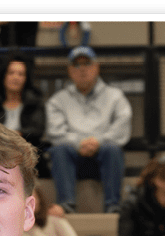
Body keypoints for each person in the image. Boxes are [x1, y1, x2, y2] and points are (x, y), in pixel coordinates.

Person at [45, 46, 131, 214]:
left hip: (104, 155)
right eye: (76, 65)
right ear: (70, 71)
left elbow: (122, 128)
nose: (82, 69)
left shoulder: (116, 96)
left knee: (113, 149)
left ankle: (113, 206)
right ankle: (67, 205)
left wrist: (98, 142)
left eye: (87, 63)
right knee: (59, 150)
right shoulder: (58, 100)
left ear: (96, 67)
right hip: (73, 157)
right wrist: (79, 143)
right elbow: (55, 132)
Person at [0, 54, 48, 154]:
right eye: (11, 73)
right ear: (3, 75)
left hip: (27, 154)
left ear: (26, 78)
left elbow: (38, 130)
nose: (15, 77)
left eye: (20, 74)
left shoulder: (35, 101)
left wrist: (18, 134)